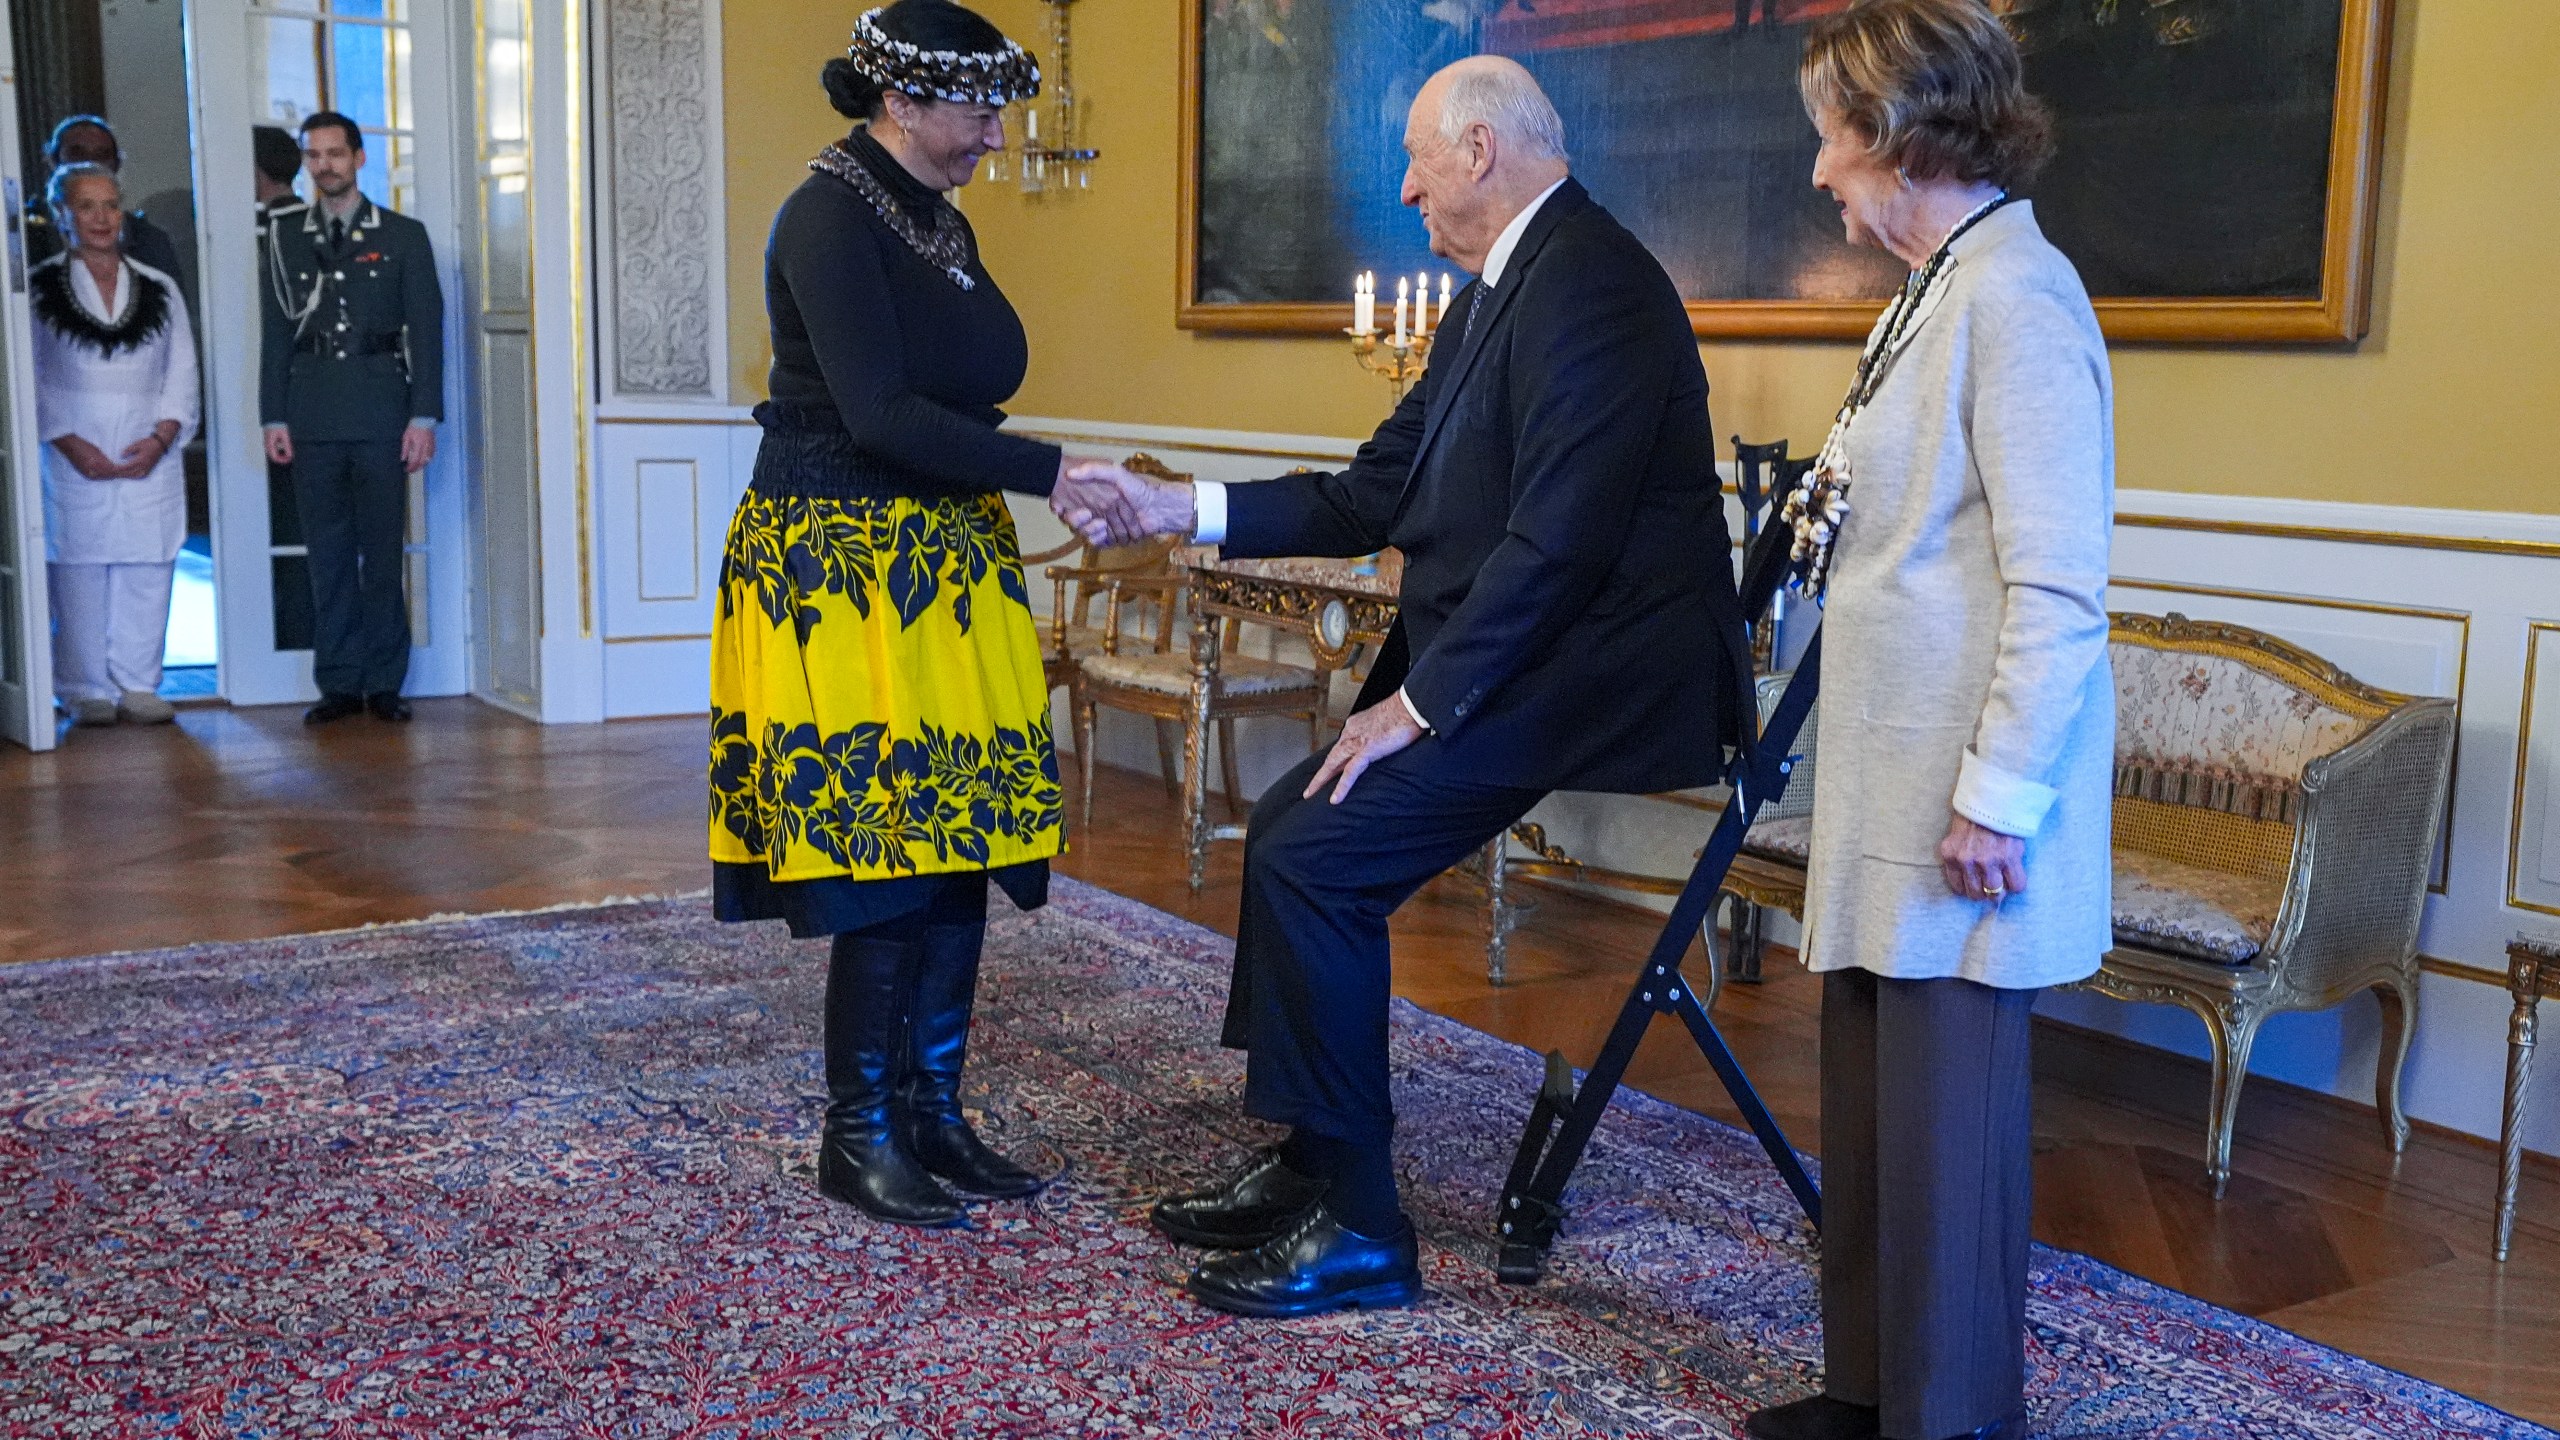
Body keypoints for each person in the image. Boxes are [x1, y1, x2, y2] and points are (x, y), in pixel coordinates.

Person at [1074, 55, 1757, 1318]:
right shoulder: (1497, 294)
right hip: (1522, 660)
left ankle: (1362, 1230)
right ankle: (1314, 1158)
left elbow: (1562, 542)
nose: (1403, 190)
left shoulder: (1595, 285)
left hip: (1577, 674)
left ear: (1482, 150)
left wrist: (1418, 706)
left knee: (1318, 862)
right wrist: (1185, 506)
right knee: (1291, 832)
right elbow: (1367, 491)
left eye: (1416, 160)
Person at [1741, 4, 2114, 1439]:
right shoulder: (1939, 285)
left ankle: (1949, 1420)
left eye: (1833, 142)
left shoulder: (2019, 298)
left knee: (1947, 1135)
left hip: (1964, 802)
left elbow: (2061, 585)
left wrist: (2001, 795)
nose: (1823, 176)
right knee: (1879, 1109)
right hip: (1892, 784)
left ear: (1899, 133)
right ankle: (1873, 1391)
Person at [705, 0, 1137, 1232]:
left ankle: (934, 1113)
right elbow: (883, 414)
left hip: (945, 555)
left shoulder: (936, 216)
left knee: (965, 840)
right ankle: (862, 1133)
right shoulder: (828, 214)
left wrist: (1032, 474)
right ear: (903, 101)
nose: (997, 133)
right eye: (979, 107)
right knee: (886, 854)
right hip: (842, 568)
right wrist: (1059, 473)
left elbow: (962, 384)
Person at [259, 111, 444, 725]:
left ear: (359, 158)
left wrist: (424, 416)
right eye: (314, 156)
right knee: (328, 555)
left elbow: (427, 329)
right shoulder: (285, 235)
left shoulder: (401, 235)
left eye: (335, 154)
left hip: (380, 409)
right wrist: (272, 416)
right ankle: (338, 681)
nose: (325, 166)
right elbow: (276, 333)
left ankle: (385, 681)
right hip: (311, 410)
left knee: (382, 554)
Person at [30, 163, 199, 728]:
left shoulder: (159, 287)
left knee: (148, 562)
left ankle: (139, 683)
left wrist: (161, 437)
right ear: (62, 215)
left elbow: (182, 372)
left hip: (147, 446)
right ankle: (83, 686)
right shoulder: (37, 288)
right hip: (73, 446)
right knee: (77, 566)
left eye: (110, 205)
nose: (101, 218)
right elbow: (31, 373)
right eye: (86, 206)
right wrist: (68, 442)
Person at [25, 116, 184, 280]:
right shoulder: (29, 236)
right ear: (53, 160)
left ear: (116, 164)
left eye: (101, 154)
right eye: (77, 153)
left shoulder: (148, 241)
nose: (89, 162)